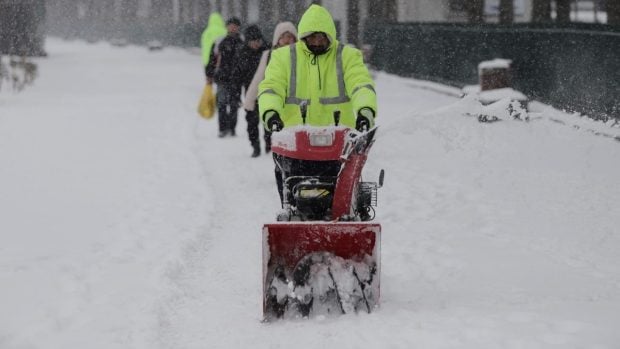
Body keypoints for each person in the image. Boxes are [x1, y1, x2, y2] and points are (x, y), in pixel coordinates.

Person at [258, 4, 377, 204]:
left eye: (322, 37)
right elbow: (272, 87)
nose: (317, 41)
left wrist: (365, 111)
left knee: (343, 199)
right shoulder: (284, 58)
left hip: (340, 144)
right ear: (303, 36)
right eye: (312, 37)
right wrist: (271, 112)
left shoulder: (347, 57)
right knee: (293, 195)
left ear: (330, 35)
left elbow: (361, 84)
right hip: (295, 142)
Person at [243, 22, 297, 158]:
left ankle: (275, 147)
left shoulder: (301, 56)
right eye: (284, 36)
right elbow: (259, 77)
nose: (287, 40)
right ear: (277, 39)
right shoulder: (269, 55)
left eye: (291, 37)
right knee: (263, 122)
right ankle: (262, 147)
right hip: (269, 95)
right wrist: (250, 99)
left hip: (292, 99)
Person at [234, 25, 270, 157]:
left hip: (267, 93)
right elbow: (237, 78)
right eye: (252, 41)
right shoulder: (242, 54)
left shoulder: (267, 52)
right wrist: (236, 96)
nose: (255, 43)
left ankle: (269, 145)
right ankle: (255, 146)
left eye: (258, 40)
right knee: (252, 122)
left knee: (268, 121)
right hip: (250, 95)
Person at [206, 17, 244, 138]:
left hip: (237, 79)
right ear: (227, 27)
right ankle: (223, 128)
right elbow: (212, 59)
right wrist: (209, 74)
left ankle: (232, 128)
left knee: (234, 105)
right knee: (222, 104)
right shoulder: (220, 41)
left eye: (235, 25)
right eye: (231, 25)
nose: (233, 27)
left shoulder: (242, 41)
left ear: (238, 27)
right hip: (222, 78)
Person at [200, 12, 227, 83]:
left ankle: (209, 90)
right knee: (221, 78)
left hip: (207, 58)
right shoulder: (223, 31)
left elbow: (203, 45)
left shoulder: (206, 32)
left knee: (209, 77)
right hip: (219, 58)